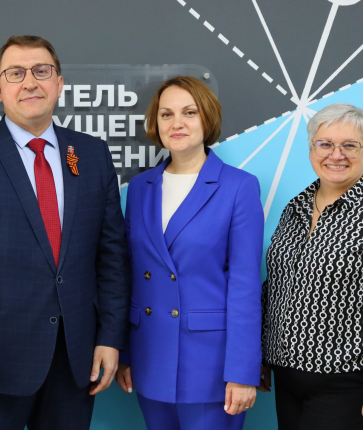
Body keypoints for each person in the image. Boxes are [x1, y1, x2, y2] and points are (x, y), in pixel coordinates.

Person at [0, 35, 130, 430]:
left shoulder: (92, 154)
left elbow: (112, 258)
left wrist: (110, 337)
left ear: (59, 83)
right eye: (15, 73)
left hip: (75, 361)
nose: (30, 82)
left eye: (41, 71)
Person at [115, 76, 264, 430]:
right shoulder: (140, 188)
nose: (176, 123)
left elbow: (245, 286)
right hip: (150, 355)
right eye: (166, 114)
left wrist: (243, 371)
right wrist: (125, 352)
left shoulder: (238, 187)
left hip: (212, 365)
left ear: (207, 118)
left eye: (189, 112)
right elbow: (129, 276)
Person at [259, 103, 363, 430]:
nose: (336, 155)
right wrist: (258, 354)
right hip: (287, 377)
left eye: (350, 145)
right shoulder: (295, 207)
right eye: (325, 144)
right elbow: (275, 286)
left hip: (350, 383)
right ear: (311, 149)